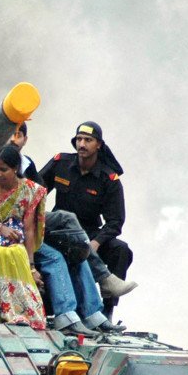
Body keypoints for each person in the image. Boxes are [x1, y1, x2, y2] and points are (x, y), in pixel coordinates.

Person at [39, 121, 137, 317]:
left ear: (99, 145)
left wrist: (96, 242)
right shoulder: (61, 163)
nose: (82, 144)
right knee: (67, 220)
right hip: (59, 230)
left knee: (121, 251)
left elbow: (115, 221)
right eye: (79, 139)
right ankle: (98, 285)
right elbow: (36, 190)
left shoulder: (109, 179)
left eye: (88, 140)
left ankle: (107, 310)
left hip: (90, 232)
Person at [0, 146, 48, 329]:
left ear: (16, 168)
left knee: (16, 251)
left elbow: (29, 229)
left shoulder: (30, 190)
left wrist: (32, 266)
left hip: (16, 238)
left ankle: (21, 310)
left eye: (4, 169)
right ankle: (0, 310)